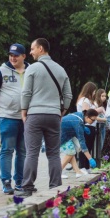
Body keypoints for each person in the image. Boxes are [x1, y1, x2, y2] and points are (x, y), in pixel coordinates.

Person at [15, 38, 73, 197]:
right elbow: (68, 94)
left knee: (32, 152)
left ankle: (27, 187)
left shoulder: (32, 69)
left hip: (35, 115)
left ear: (41, 49)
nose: (31, 52)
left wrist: (24, 110)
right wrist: (62, 111)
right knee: (54, 153)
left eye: (32, 49)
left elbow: (26, 92)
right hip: (54, 116)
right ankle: (55, 187)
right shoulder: (61, 70)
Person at [0, 43, 30, 194]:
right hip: (8, 117)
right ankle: (6, 182)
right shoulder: (1, 71)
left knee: (22, 151)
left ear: (24, 56)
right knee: (7, 150)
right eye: (11, 55)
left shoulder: (31, 70)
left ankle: (20, 182)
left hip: (26, 118)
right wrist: (4, 103)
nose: (13, 58)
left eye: (16, 55)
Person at [60, 109, 98, 178]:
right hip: (61, 135)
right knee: (70, 152)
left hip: (65, 133)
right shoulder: (79, 123)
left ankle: (78, 171)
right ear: (87, 117)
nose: (93, 122)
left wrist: (84, 127)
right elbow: (82, 142)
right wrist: (90, 159)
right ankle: (58, 172)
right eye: (93, 120)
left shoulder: (81, 115)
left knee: (72, 151)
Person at [76, 82, 98, 170]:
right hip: (87, 126)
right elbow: (87, 113)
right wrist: (97, 112)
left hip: (90, 125)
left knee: (88, 146)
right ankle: (83, 166)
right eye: (94, 91)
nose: (94, 93)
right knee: (85, 147)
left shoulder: (84, 100)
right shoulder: (85, 100)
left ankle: (86, 166)